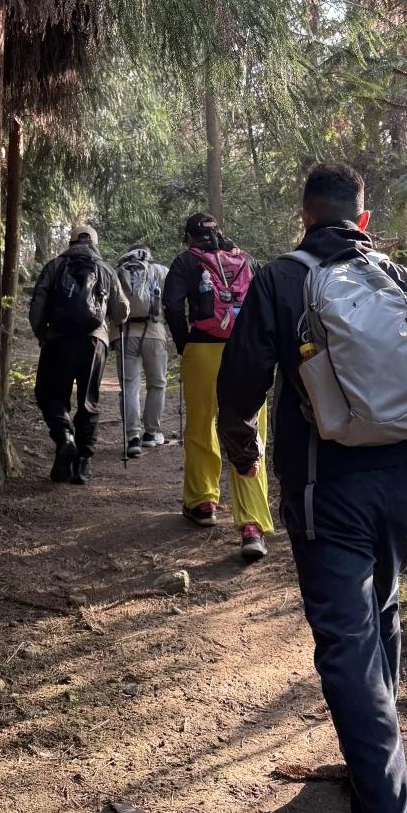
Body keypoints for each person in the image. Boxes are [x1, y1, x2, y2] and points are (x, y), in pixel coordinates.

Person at [217, 163, 407, 813]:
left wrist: (242, 448)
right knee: (381, 616)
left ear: (304, 216)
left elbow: (240, 382)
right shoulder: (399, 278)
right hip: (402, 485)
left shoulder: (281, 280)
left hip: (322, 488)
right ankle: (375, 778)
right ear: (363, 221)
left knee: (348, 647)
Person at [163, 211, 273, 561]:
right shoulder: (247, 260)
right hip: (246, 354)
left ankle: (203, 503)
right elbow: (264, 306)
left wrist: (185, 344)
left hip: (203, 350)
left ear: (188, 237)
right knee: (251, 433)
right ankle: (252, 526)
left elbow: (171, 305)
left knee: (201, 425)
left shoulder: (185, 261)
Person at [28, 225, 128, 486]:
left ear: (71, 242)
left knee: (49, 394)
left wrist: (41, 333)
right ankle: (83, 464)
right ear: (95, 243)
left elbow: (37, 304)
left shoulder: (55, 266)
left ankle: (64, 436)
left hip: (58, 339)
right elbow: (121, 311)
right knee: (88, 401)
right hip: (94, 341)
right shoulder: (105, 269)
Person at [114, 245, 169, 457]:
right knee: (157, 384)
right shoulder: (160, 270)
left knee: (130, 386)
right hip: (155, 332)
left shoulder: (118, 271)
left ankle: (133, 438)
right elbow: (173, 300)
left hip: (126, 333)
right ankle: (151, 433)